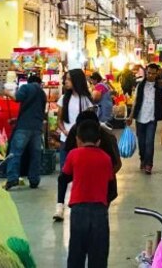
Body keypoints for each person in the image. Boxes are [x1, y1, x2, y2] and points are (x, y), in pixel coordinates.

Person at [62, 119, 115, 268]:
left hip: (78, 211)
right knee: (98, 255)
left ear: (78, 140)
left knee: (76, 254)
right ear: (98, 142)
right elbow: (110, 186)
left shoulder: (73, 155)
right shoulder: (106, 158)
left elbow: (64, 177)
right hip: (99, 211)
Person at [56, 68, 95, 221]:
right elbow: (59, 120)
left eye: (68, 79)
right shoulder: (63, 99)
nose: (65, 82)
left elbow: (91, 122)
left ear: (76, 81)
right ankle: (59, 207)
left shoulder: (86, 100)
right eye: (65, 79)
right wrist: (65, 131)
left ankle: (79, 203)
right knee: (63, 175)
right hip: (66, 141)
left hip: (82, 144)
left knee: (82, 175)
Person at [62, 110, 122, 203]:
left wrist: (99, 179)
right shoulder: (74, 131)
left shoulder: (107, 137)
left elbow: (117, 164)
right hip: (82, 191)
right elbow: (68, 157)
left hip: (104, 190)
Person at [5, 73, 47, 190]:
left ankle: (12, 178)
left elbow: (17, 98)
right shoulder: (42, 93)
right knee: (35, 155)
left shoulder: (26, 87)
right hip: (37, 128)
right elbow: (36, 112)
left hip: (23, 127)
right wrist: (16, 119)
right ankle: (34, 180)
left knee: (15, 153)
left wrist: (6, 92)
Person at [132, 64, 162, 174]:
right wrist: (130, 116)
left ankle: (149, 164)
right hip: (139, 118)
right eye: (149, 73)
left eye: (153, 73)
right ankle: (143, 159)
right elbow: (135, 101)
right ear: (146, 72)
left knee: (149, 142)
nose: (150, 75)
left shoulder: (160, 86)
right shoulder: (140, 85)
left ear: (157, 73)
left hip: (152, 118)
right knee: (141, 142)